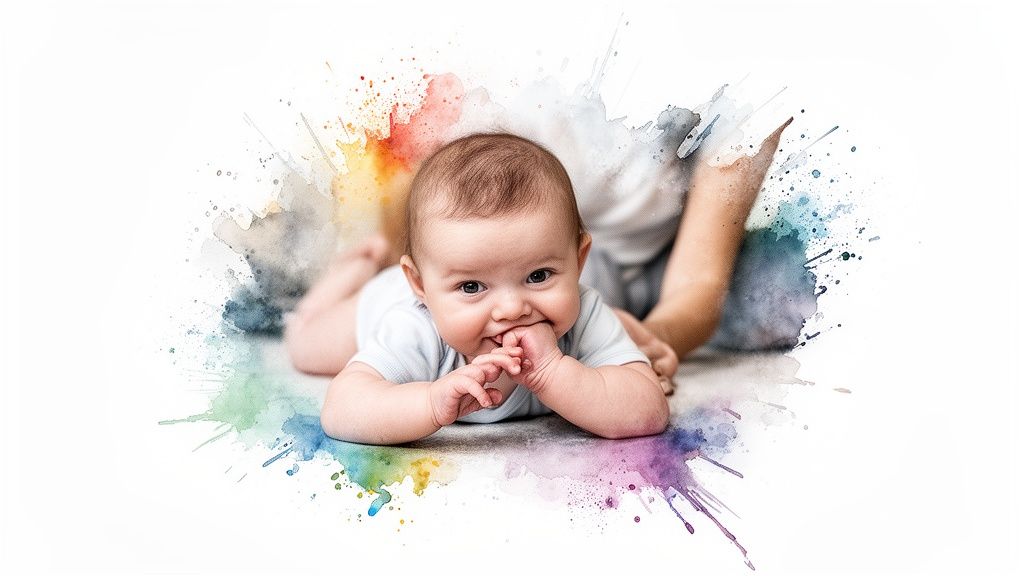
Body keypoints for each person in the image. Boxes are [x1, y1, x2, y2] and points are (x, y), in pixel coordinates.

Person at [292, 133, 670, 445]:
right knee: (304, 345)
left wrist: (552, 373)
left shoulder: (584, 314)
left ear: (578, 260)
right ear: (420, 284)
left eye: (538, 276)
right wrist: (429, 403)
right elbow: (342, 409)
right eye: (471, 286)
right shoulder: (416, 328)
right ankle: (358, 266)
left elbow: (649, 409)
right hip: (381, 300)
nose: (511, 308)